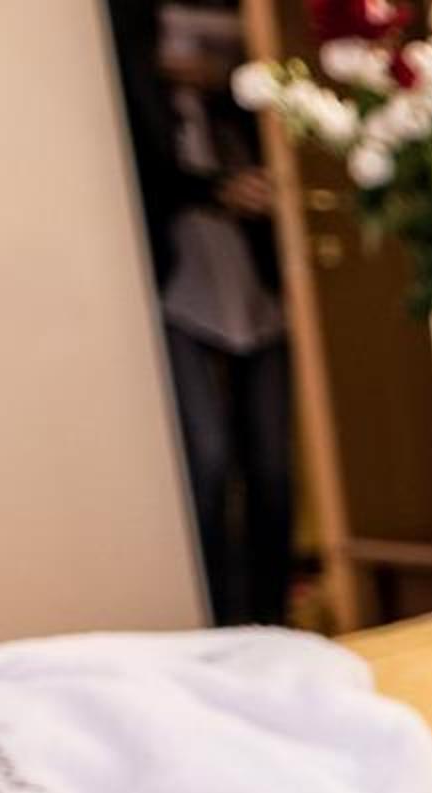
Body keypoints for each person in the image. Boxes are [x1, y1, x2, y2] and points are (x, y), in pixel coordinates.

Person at [111, 0, 297, 630]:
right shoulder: (133, 67)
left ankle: (272, 621)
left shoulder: (244, 97)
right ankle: (218, 622)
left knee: (273, 465)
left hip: (257, 276)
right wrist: (213, 190)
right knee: (208, 462)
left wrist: (227, 81)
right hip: (181, 276)